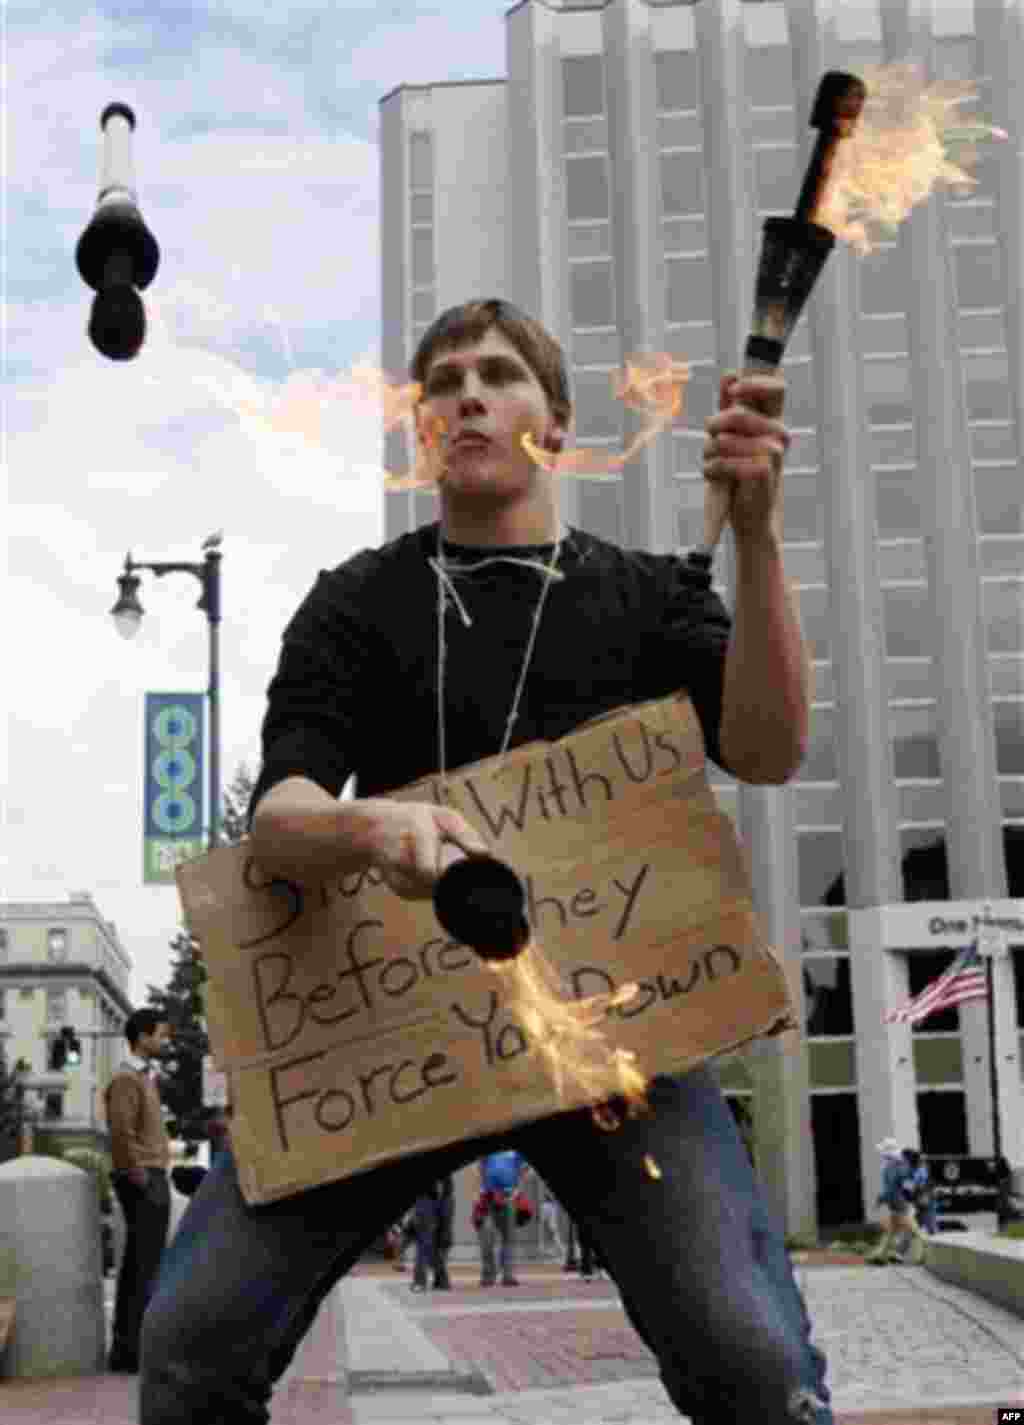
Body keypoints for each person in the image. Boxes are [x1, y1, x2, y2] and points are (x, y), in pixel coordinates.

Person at [140, 297, 830, 1424]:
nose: (467, 391)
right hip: (389, 1038)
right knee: (190, 1340)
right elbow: (283, 811)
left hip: (612, 1040)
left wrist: (754, 535)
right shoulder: (357, 603)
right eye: (444, 379)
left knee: (752, 1359)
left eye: (499, 374)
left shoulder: (654, 595)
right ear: (423, 431)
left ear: (551, 424)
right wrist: (374, 831)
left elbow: (768, 746)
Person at [105, 1008, 173, 1373]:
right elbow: (120, 1132)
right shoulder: (127, 1079)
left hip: (150, 1174)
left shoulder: (143, 1078)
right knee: (142, 1268)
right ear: (143, 1037)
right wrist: (139, 1176)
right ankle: (131, 1352)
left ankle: (130, 1350)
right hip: (143, 1176)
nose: (165, 1041)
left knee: (141, 1267)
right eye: (161, 1035)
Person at [867, 1138, 926, 1266]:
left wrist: (881, 1199)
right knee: (906, 1232)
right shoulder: (897, 1166)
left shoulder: (890, 1167)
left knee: (901, 1231)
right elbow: (905, 1180)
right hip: (898, 1203)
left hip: (895, 1203)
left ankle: (880, 1256)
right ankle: (917, 1257)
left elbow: (891, 1187)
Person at [476, 1150, 525, 1286]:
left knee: (509, 1238)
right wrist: (481, 1188)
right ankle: (488, 1274)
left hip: (508, 1195)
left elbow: (523, 1168)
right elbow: (480, 1165)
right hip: (489, 1196)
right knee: (487, 1235)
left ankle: (508, 1275)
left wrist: (517, 1189)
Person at [411, 1175, 454, 1291]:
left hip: (446, 1195)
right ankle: (419, 1280)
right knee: (425, 1240)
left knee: (443, 1240)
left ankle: (440, 1278)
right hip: (426, 1198)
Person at [902, 1148, 938, 1235]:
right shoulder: (913, 1169)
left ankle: (929, 1230)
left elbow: (920, 1183)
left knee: (925, 1213)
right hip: (921, 1195)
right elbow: (910, 1184)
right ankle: (927, 1229)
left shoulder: (919, 1169)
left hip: (923, 1194)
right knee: (923, 1214)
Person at [538, 1179, 564, 1262]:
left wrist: (541, 1219)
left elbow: (544, 1216)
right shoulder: (553, 1205)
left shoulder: (546, 1205)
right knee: (554, 1238)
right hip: (552, 1223)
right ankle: (557, 1251)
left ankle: (561, 1251)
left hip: (551, 1224)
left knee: (555, 1237)